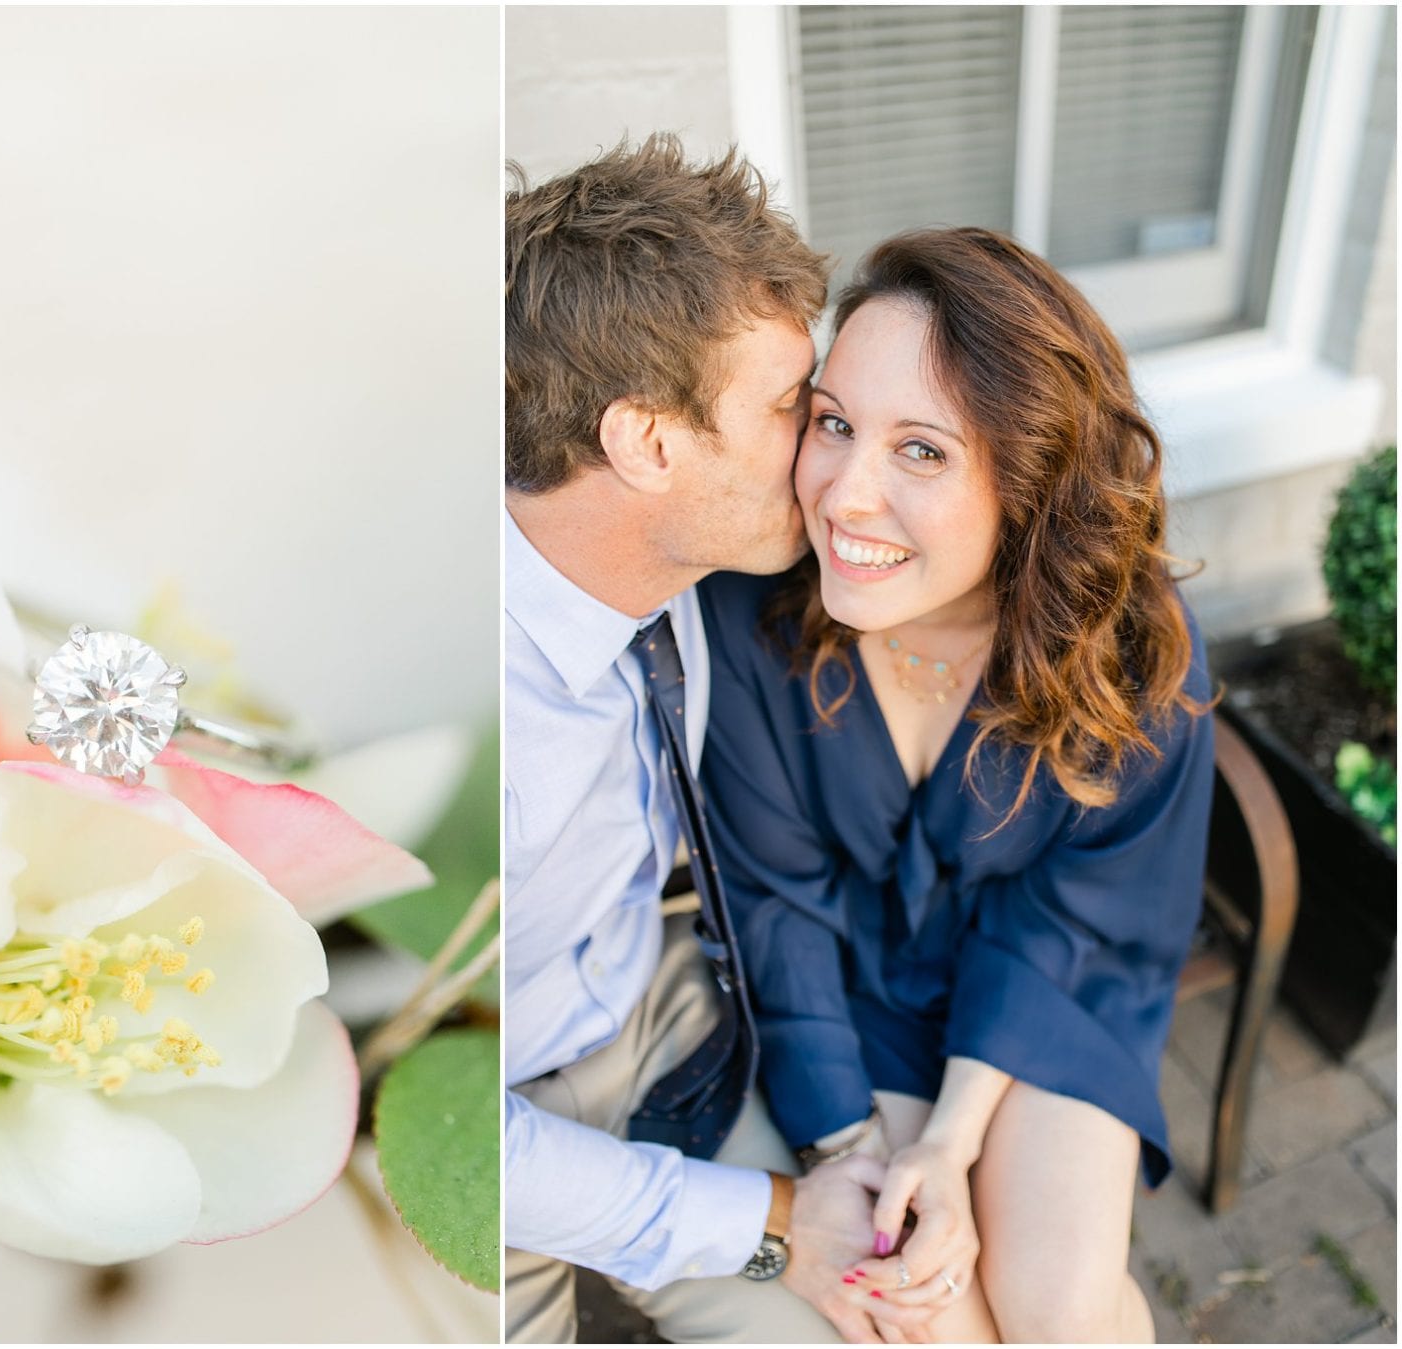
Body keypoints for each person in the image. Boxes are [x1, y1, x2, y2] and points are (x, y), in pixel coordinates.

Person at [697, 226, 1216, 1343]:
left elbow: (1083, 911)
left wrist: (954, 1136)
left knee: (1061, 1310)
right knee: (926, 1312)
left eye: (921, 451)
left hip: (1054, 987)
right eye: (833, 423)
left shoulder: (1130, 649)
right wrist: (851, 1151)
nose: (844, 495)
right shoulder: (749, 617)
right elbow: (775, 908)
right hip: (852, 993)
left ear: (1028, 478)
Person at [505, 135, 906, 1344]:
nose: (825, 441)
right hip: (468, 1122)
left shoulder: (678, 559)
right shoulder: (477, 739)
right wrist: (773, 1214)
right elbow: (408, 1114)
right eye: (794, 404)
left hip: (661, 1023)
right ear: (647, 443)